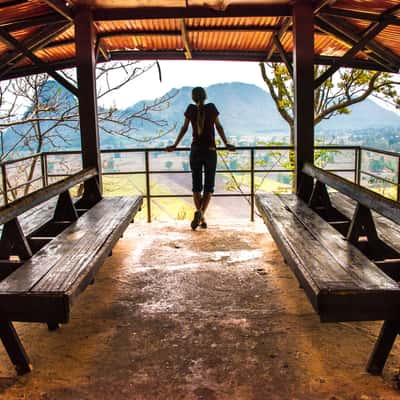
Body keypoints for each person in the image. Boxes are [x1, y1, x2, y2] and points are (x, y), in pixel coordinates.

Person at [166, 86, 235, 230]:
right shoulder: (211, 108)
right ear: (205, 96)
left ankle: (201, 217)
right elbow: (219, 127)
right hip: (210, 151)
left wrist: (175, 144)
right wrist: (226, 143)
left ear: (193, 98)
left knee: (196, 186)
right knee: (209, 187)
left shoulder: (190, 109)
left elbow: (184, 128)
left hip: (195, 151)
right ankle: (201, 214)